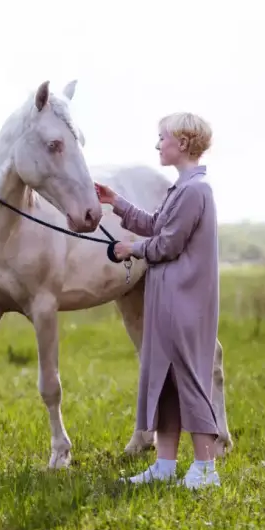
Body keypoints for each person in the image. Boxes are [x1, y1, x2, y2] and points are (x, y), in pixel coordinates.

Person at [94, 112, 222, 489]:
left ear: (182, 143)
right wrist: (116, 202)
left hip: (185, 301)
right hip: (166, 298)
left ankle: (206, 470)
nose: (157, 145)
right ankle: (165, 465)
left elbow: (167, 244)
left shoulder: (196, 191)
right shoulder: (181, 189)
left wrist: (130, 249)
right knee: (163, 381)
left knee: (190, 381)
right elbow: (155, 225)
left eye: (162, 138)